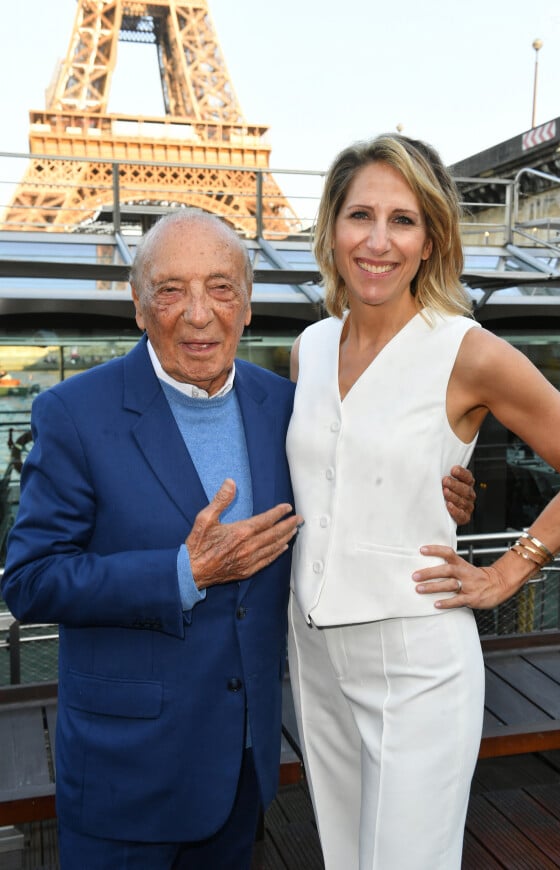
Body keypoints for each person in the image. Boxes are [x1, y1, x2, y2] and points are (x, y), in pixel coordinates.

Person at [1, 208, 474, 869]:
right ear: (139, 307)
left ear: (247, 305)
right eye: (170, 290)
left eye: (221, 287)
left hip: (240, 770)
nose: (198, 314)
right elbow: (28, 581)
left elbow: (358, 491)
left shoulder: (287, 407)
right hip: (125, 780)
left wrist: (446, 489)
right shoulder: (74, 413)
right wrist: (181, 573)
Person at [285, 134, 560, 870]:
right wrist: (450, 488)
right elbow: (338, 476)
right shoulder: (310, 347)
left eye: (403, 220)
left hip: (417, 656)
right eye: (360, 216)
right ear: (332, 228)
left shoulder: (467, 350)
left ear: (430, 241)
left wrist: (509, 570)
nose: (377, 240)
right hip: (313, 648)